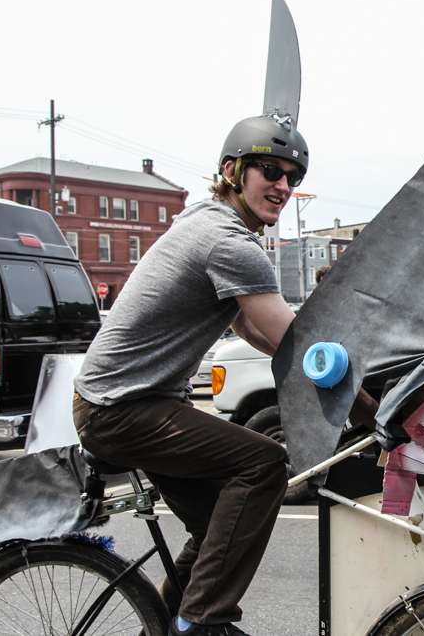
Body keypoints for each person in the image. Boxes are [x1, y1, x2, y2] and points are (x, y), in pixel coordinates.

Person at [73, 113, 308, 636]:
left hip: (131, 403)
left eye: (293, 177)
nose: (283, 186)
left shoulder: (206, 222)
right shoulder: (227, 241)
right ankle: (204, 623)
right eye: (269, 170)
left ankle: (168, 627)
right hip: (123, 408)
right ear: (232, 170)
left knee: (215, 534)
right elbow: (297, 345)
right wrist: (367, 406)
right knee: (265, 464)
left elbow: (260, 331)